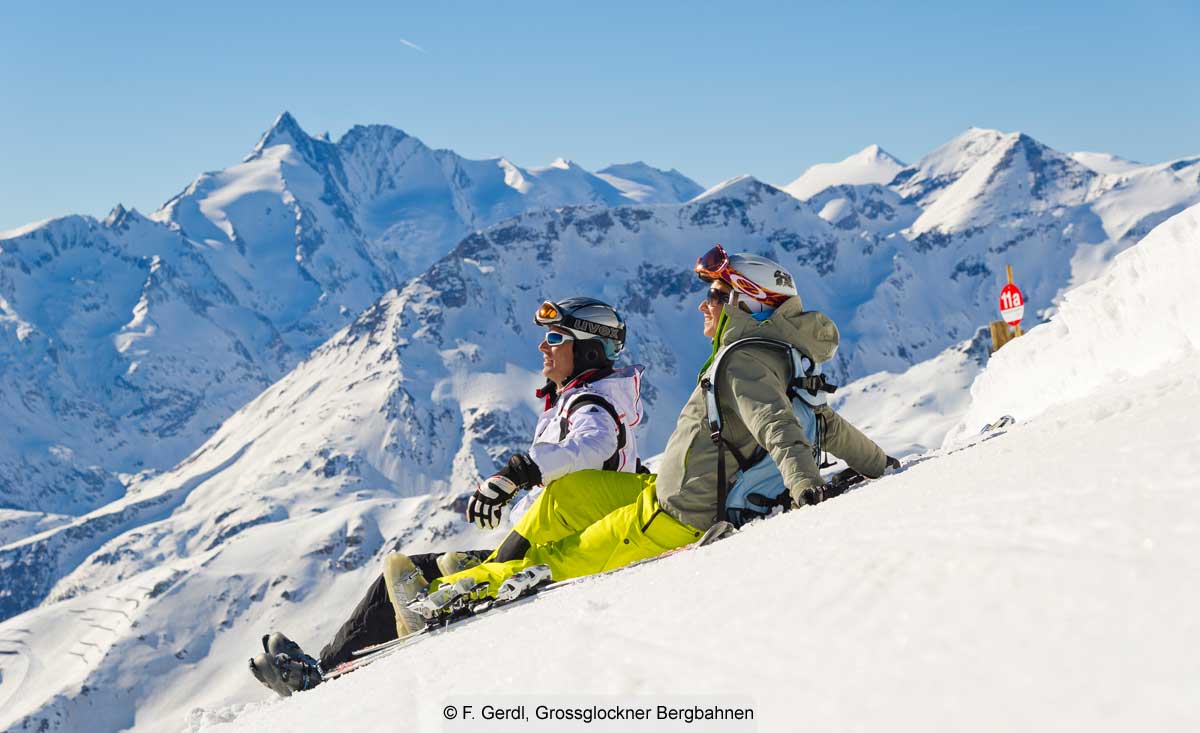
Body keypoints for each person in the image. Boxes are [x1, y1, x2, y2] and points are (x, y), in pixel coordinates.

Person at [422, 246, 897, 605]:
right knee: (567, 495)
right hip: (664, 489)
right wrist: (881, 465)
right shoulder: (774, 354)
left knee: (559, 559)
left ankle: (449, 593)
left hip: (676, 516)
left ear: (744, 300)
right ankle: (485, 567)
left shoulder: (745, 361)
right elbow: (824, 423)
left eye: (714, 294)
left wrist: (807, 489)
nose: (702, 306)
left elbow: (778, 426)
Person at [249, 297, 645, 697]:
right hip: (541, 539)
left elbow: (594, 444)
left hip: (552, 551)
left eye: (556, 337)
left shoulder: (590, 404)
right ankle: (331, 663)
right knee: (409, 573)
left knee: (407, 577)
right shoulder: (586, 398)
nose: (543, 346)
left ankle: (326, 672)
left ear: (589, 349)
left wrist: (520, 471)